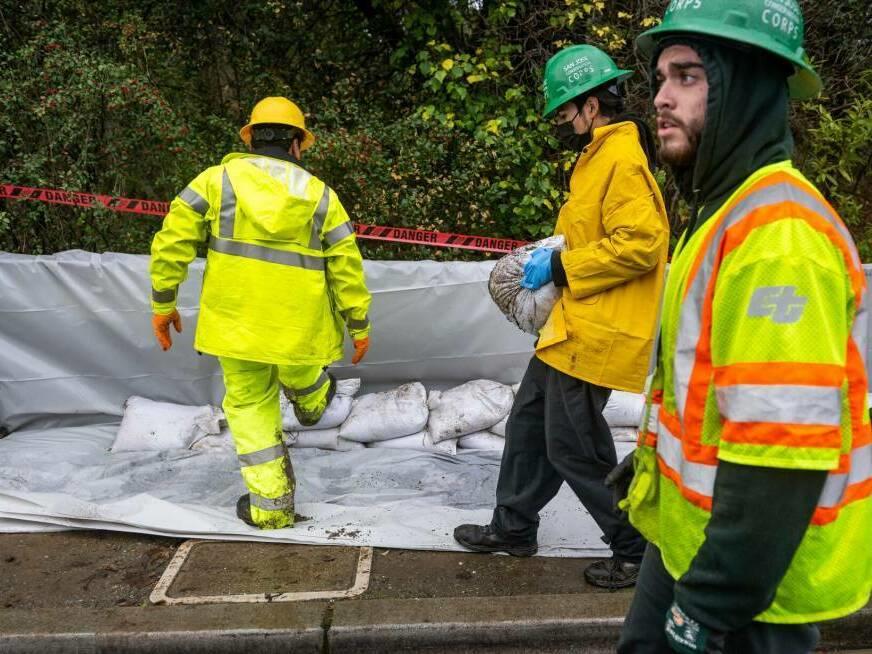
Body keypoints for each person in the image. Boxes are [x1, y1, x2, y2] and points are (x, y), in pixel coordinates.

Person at [610, 1, 872, 651]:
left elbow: (780, 458)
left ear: (749, 89)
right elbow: (705, 397)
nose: (661, 99)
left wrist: (708, 608)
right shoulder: (723, 212)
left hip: (753, 590)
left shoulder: (778, 239)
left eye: (688, 77)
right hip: (693, 547)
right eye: (661, 79)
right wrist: (647, 470)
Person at [454, 44, 670, 590]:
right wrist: (554, 256)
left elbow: (643, 244)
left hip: (599, 327)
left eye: (566, 110)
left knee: (573, 443)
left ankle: (634, 548)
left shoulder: (622, 159)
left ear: (592, 105)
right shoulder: (597, 157)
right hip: (574, 322)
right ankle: (514, 528)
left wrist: (562, 264)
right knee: (528, 421)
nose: (562, 121)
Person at [149, 97, 372, 530]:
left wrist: (163, 305)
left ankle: (271, 508)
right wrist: (358, 323)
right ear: (297, 145)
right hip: (298, 324)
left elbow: (170, 242)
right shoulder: (321, 195)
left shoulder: (215, 182)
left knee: (251, 406)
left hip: (236, 323)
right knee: (300, 363)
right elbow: (346, 264)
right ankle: (311, 399)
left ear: (250, 137)